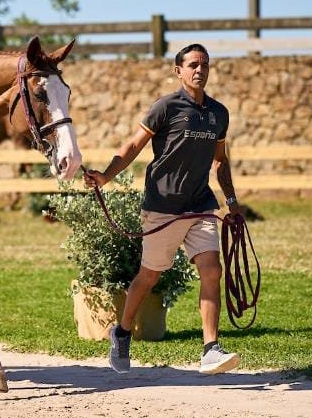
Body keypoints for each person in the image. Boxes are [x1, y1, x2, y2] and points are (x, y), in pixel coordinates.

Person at [84, 43, 242, 375]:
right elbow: (132, 147)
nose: (200, 70)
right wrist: (105, 176)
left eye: (205, 65)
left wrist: (231, 202)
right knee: (150, 276)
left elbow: (220, 162)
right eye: (193, 65)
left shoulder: (218, 113)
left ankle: (211, 348)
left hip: (200, 205)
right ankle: (123, 331)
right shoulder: (166, 108)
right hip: (162, 206)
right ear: (179, 71)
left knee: (212, 271)